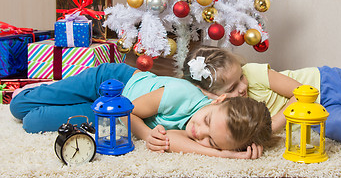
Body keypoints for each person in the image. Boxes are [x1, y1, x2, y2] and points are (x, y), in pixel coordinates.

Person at [10, 63, 276, 159]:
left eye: (211, 140)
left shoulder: (199, 129)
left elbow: (175, 142)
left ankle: (56, 104)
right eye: (207, 122)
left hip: (110, 117)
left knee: (33, 122)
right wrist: (147, 135)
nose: (198, 131)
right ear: (218, 101)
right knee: (18, 106)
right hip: (113, 84)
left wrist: (224, 154)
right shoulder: (182, 94)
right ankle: (45, 87)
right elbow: (129, 112)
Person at [183, 45, 341, 145]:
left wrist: (272, 125)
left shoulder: (253, 72)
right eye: (231, 89)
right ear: (213, 96)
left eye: (241, 77)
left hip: (325, 82)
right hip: (315, 115)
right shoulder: (222, 118)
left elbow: (302, 94)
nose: (243, 86)